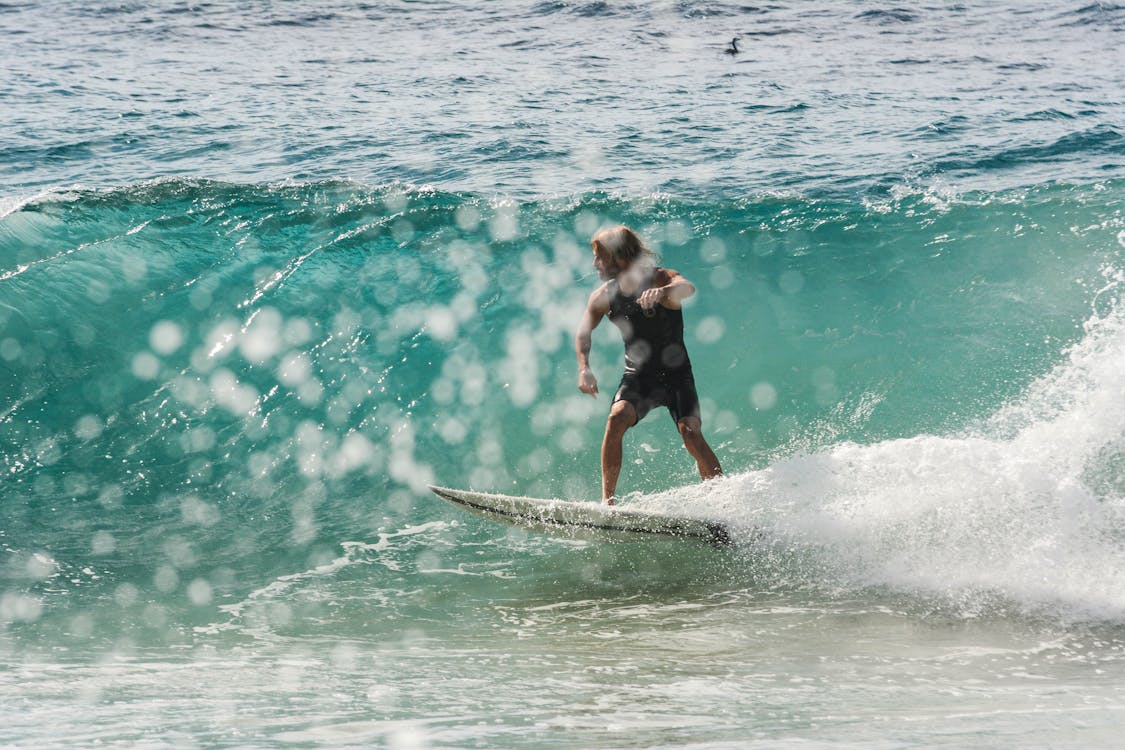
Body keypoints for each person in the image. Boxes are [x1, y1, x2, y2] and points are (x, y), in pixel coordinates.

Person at [574, 225, 723, 503]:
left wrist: (664, 292)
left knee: (690, 433)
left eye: (599, 256)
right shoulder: (603, 296)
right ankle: (608, 503)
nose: (594, 263)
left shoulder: (661, 278)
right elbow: (583, 332)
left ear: (619, 257)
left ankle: (721, 499)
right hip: (639, 377)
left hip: (677, 376)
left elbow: (686, 287)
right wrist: (584, 367)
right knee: (616, 419)